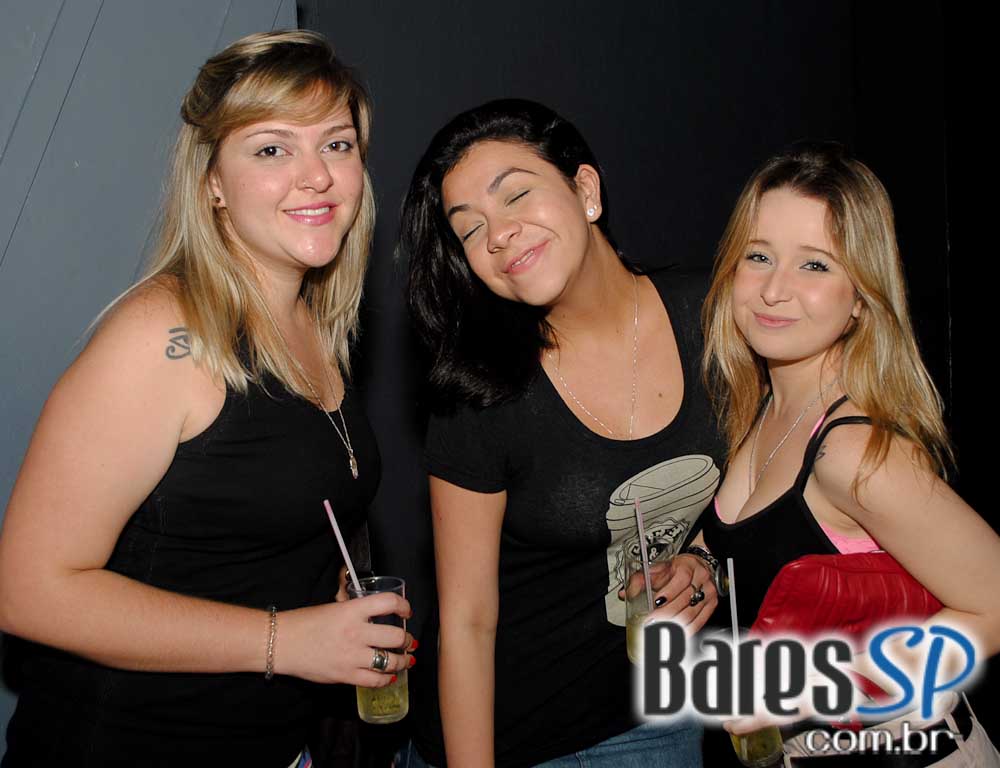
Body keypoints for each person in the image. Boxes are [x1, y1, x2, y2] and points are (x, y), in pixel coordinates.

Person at [0, 30, 413, 767]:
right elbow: (26, 591)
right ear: (213, 181)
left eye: (337, 144)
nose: (317, 176)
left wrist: (333, 615)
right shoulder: (163, 336)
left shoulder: (314, 324)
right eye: (272, 149)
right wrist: (286, 641)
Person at [399, 98, 724, 768]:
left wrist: (702, 555)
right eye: (470, 229)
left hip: (651, 722)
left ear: (586, 189)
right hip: (506, 738)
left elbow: (769, 474)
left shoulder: (716, 319)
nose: (499, 234)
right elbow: (466, 622)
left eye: (517, 195)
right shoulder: (480, 392)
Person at [696, 142, 1000, 765]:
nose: (774, 289)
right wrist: (695, 562)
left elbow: (995, 607)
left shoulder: (853, 452)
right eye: (759, 255)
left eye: (815, 265)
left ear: (861, 297)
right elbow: (761, 540)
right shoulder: (762, 407)